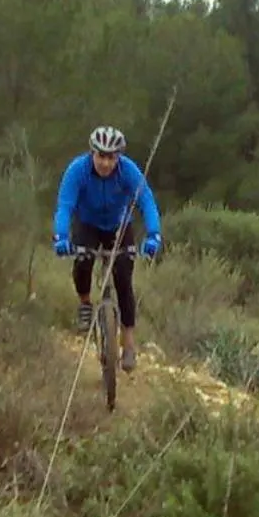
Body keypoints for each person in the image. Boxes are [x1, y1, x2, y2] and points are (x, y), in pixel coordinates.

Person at [51, 125, 164, 372]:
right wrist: (60, 236)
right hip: (88, 223)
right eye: (101, 156)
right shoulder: (77, 170)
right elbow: (65, 205)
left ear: (118, 157)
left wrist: (154, 235)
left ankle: (129, 345)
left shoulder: (128, 171)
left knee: (124, 281)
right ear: (92, 153)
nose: (105, 163)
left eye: (111, 157)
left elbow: (146, 201)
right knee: (82, 264)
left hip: (118, 226)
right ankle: (84, 303)